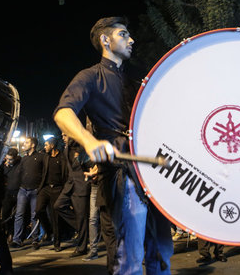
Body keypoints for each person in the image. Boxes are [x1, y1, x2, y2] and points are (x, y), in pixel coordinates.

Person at [53, 16, 173, 275]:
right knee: (128, 260)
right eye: (123, 34)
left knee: (161, 255)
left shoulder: (134, 82)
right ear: (105, 40)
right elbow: (63, 113)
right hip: (122, 178)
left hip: (152, 178)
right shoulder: (90, 77)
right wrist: (89, 140)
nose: (132, 40)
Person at [54, 133, 91, 257]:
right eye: (62, 135)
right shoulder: (66, 149)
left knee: (82, 217)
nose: (63, 137)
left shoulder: (83, 148)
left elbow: (91, 167)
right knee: (58, 205)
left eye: (65, 135)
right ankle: (83, 230)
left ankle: (82, 248)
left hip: (81, 187)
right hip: (69, 185)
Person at [34, 137, 70, 252]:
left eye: (46, 145)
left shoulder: (62, 157)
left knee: (56, 217)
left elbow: (66, 174)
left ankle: (57, 242)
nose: (45, 147)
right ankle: (48, 231)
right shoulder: (45, 157)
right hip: (45, 188)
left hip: (58, 189)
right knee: (39, 210)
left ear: (52, 145)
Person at [10, 136, 43, 248]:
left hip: (35, 190)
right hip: (23, 190)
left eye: (27, 142)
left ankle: (35, 239)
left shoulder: (40, 157)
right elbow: (19, 173)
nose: (24, 144)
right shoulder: (24, 159)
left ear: (33, 145)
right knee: (19, 215)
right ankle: (17, 239)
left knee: (34, 216)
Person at [1, 148, 21, 243]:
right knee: (5, 214)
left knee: (17, 215)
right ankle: (8, 231)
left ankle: (13, 234)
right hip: (7, 193)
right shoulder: (4, 165)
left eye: (11, 159)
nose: (8, 161)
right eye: (7, 158)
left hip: (18, 192)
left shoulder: (20, 163)